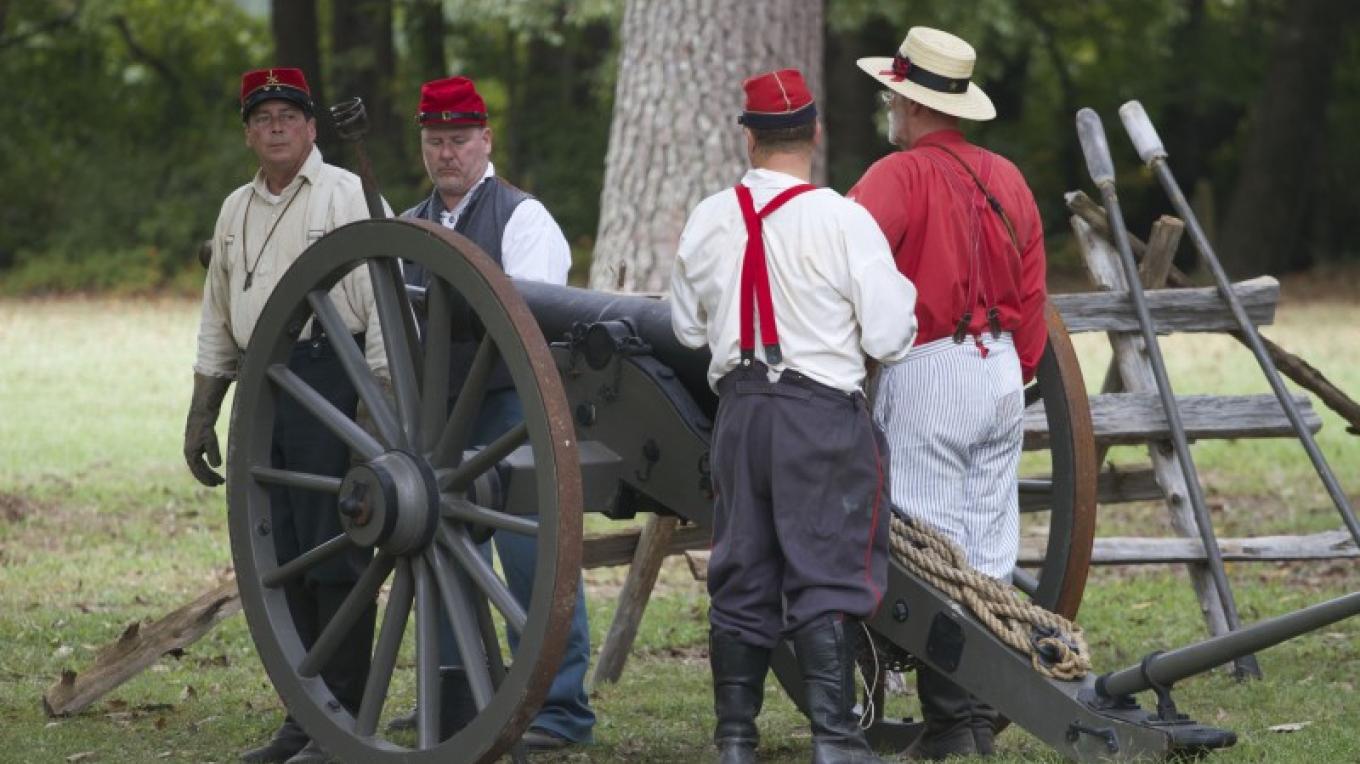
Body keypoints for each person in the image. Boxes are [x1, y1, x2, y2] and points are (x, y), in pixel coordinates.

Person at [670, 68, 918, 764]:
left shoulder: (709, 218)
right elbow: (891, 336)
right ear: (815, 132)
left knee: (741, 571)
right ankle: (835, 741)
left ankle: (735, 740)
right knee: (827, 570)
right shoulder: (843, 220)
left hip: (741, 416)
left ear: (748, 138)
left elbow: (686, 330)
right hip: (820, 418)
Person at [847, 27, 1049, 760]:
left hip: (929, 366)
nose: (887, 108)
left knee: (927, 553)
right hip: (1002, 373)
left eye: (891, 97)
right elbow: (1034, 294)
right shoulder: (1008, 178)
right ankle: (974, 718)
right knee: (986, 552)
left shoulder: (895, 177)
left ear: (910, 103)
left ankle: (954, 727)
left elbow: (844, 271)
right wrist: (1012, 369)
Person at [183, 67, 389, 764]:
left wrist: (376, 410)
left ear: (310, 128)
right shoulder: (234, 209)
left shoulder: (346, 194)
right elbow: (218, 312)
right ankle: (304, 721)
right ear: (248, 134)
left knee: (335, 552)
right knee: (282, 558)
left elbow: (384, 301)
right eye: (262, 118)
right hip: (262, 383)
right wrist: (203, 408)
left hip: (331, 376)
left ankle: (341, 722)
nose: (275, 127)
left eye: (288, 116)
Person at [391, 75, 595, 752]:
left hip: (513, 406)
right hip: (435, 416)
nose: (446, 153)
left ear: (486, 139)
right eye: (434, 140)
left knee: (533, 555)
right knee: (441, 553)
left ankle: (559, 708)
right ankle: (459, 695)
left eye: (458, 139)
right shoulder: (410, 225)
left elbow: (530, 321)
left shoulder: (523, 219)